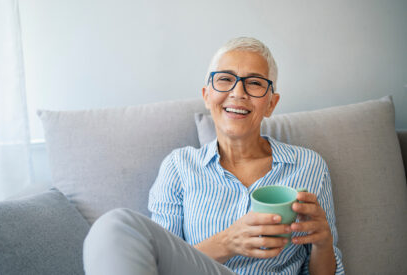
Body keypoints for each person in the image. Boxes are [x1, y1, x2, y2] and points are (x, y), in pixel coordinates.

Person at [83, 37, 345, 275]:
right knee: (114, 226)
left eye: (254, 83)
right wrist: (229, 241)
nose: (238, 92)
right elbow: (161, 264)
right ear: (207, 96)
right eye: (224, 79)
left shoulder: (308, 166)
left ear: (271, 104)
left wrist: (324, 244)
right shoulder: (180, 167)